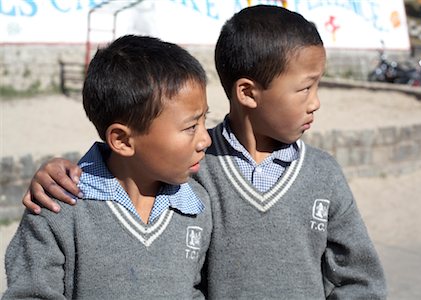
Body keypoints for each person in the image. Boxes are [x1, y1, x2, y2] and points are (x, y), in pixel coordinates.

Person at [21, 5, 387, 299]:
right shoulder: (193, 174)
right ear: (247, 92)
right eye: (305, 88)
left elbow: (359, 279)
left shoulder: (322, 174)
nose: (316, 103)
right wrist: (60, 171)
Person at [4, 35, 212, 299]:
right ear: (123, 140)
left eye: (205, 119)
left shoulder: (197, 205)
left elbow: (192, 290)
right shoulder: (58, 208)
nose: (206, 139)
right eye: (191, 127)